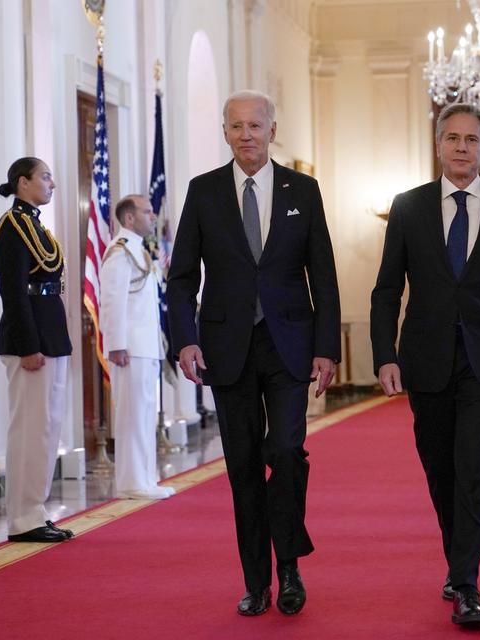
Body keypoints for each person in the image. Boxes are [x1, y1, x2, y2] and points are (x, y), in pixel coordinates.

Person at [167, 90, 341, 616]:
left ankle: (290, 567)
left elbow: (324, 277)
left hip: (290, 345)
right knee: (243, 465)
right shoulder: (203, 192)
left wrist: (327, 348)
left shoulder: (302, 190)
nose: (246, 134)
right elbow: (181, 279)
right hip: (227, 348)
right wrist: (185, 339)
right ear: (225, 132)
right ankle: (257, 581)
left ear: (272, 129)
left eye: (255, 125)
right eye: (236, 126)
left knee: (286, 452)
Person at [370, 103, 480, 627]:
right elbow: (386, 289)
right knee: (440, 469)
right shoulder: (408, 206)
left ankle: (466, 584)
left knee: (473, 469)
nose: (462, 147)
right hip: (425, 359)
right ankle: (457, 558)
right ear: (438, 145)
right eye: (452, 138)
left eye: (471, 139)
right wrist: (384, 357)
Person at [0, 157, 74, 543]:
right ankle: (23, 518)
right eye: (45, 177)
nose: (52, 184)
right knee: (29, 428)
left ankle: (36, 511)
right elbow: (12, 290)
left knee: (47, 427)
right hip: (30, 339)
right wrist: (28, 345)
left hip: (50, 331)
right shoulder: (12, 227)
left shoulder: (35, 225)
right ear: (23, 183)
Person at [100, 195, 174, 501]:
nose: (153, 215)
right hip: (129, 347)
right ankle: (132, 482)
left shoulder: (138, 249)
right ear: (129, 218)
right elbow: (112, 300)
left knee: (144, 413)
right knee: (132, 414)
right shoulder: (120, 252)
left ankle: (145, 478)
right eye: (147, 211)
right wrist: (116, 344)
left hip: (145, 345)